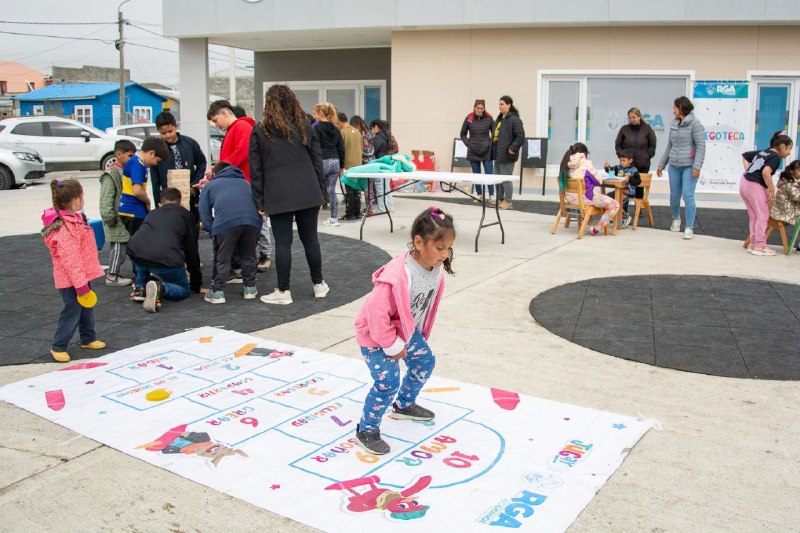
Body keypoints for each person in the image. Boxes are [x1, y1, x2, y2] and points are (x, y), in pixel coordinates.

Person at [353, 206, 456, 455]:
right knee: (387, 382)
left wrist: (409, 337)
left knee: (424, 363)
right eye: (439, 248)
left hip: (405, 332)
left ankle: (403, 405)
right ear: (419, 242)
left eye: (448, 248)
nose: (445, 254)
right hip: (377, 337)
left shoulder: (435, 269)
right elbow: (376, 314)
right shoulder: (398, 274)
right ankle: (366, 429)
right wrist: (391, 345)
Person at [249, 84, 330, 305]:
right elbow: (317, 160)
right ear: (292, 101)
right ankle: (319, 284)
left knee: (283, 243)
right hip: (307, 189)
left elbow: (255, 170)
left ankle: (284, 291)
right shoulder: (305, 125)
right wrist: (322, 193)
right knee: (310, 238)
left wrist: (259, 199)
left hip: (277, 192)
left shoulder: (260, 130)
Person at [41, 179, 106, 362]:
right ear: (76, 200)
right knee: (72, 310)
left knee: (86, 307)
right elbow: (71, 260)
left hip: (80, 276)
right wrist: (80, 285)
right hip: (71, 279)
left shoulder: (74, 220)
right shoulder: (65, 228)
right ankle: (59, 345)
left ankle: (88, 337)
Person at [207, 100, 272, 274]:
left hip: (244, 183)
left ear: (224, 113)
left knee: (256, 221)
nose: (216, 125)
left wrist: (217, 169)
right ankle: (243, 264)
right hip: (239, 182)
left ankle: (263, 255)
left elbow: (242, 152)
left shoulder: (241, 127)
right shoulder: (237, 128)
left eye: (215, 120)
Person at [127, 188, 203, 312]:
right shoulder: (186, 215)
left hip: (136, 252)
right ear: (180, 202)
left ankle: (140, 288)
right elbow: (191, 250)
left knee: (142, 254)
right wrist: (196, 283)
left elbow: (142, 237)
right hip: (166, 258)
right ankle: (161, 287)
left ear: (160, 203)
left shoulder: (152, 213)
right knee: (183, 289)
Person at [199, 161, 262, 303]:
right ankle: (250, 288)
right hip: (252, 222)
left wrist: (211, 230)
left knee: (223, 256)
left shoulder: (211, 185)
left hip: (226, 223)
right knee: (249, 255)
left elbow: (204, 212)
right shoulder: (246, 183)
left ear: (216, 173)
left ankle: (217, 291)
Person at [656, 96, 706, 240]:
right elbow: (670, 146)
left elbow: (701, 147)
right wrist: (661, 164)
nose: (673, 110)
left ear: (681, 108)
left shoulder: (695, 124)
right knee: (674, 196)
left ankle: (689, 227)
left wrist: (697, 166)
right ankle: (676, 218)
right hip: (674, 166)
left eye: (674, 108)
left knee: (688, 196)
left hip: (689, 166)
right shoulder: (674, 124)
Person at [740, 132, 794, 256]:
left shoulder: (764, 152)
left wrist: (748, 171)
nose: (789, 152)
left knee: (754, 216)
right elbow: (766, 172)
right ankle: (759, 246)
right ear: (783, 146)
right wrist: (771, 188)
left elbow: (745, 156)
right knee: (763, 215)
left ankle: (754, 244)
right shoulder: (775, 157)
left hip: (744, 182)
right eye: (789, 149)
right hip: (755, 185)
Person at [150, 111, 207, 216]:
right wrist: (158, 203)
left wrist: (194, 185)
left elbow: (202, 163)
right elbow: (155, 181)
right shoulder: (156, 150)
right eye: (163, 133)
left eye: (170, 131)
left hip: (190, 195)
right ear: (158, 131)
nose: (168, 135)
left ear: (176, 126)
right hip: (168, 200)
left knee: (192, 223)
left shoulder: (190, 143)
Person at [98, 139, 136, 286]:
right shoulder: (111, 175)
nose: (132, 159)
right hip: (116, 219)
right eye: (129, 155)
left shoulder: (127, 171)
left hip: (125, 217)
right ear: (118, 154)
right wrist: (110, 217)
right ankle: (112, 275)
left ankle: (117, 274)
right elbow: (106, 199)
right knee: (119, 248)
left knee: (125, 247)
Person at [561, 143, 619, 236]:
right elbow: (598, 181)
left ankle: (590, 221)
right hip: (585, 199)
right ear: (584, 153)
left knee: (596, 196)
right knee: (615, 205)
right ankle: (597, 228)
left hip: (570, 200)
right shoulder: (586, 163)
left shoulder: (566, 164)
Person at [119, 136, 169, 238]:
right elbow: (137, 190)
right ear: (152, 153)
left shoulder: (135, 162)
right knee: (140, 244)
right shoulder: (138, 164)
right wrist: (147, 201)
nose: (156, 164)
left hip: (132, 211)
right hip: (133, 211)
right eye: (157, 160)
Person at [313, 102, 345, 227]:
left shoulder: (316, 127)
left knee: (318, 189)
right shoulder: (336, 128)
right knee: (331, 190)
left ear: (320, 114)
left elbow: (314, 145)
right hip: (335, 160)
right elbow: (341, 148)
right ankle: (334, 218)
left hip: (322, 160)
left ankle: (312, 218)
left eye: (315, 113)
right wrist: (342, 165)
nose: (314, 116)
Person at [491, 95, 525, 210]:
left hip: (507, 154)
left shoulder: (514, 119)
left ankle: (508, 202)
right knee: (498, 179)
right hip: (498, 154)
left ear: (509, 105)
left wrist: (512, 148)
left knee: (506, 179)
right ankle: (500, 200)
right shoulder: (500, 118)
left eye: (502, 104)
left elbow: (520, 137)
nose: (500, 106)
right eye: (499, 104)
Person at [460, 99, 495, 202]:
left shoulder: (489, 118)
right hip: (473, 151)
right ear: (474, 108)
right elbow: (463, 134)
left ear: (484, 109)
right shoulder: (469, 118)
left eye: (481, 108)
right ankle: (479, 194)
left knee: (489, 173)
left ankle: (492, 195)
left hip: (487, 151)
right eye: (478, 108)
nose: (479, 110)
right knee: (477, 174)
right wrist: (469, 144)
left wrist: (490, 144)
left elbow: (494, 134)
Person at [603, 149, 641, 228]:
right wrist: (607, 168)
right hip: (617, 191)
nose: (622, 162)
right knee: (606, 198)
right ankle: (614, 217)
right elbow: (611, 171)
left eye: (624, 160)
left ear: (630, 160)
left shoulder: (634, 170)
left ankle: (624, 216)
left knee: (618, 201)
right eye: (621, 160)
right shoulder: (618, 167)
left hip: (628, 192)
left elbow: (638, 181)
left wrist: (629, 179)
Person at [338, 111, 364, 221]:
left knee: (349, 192)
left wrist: (341, 165)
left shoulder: (342, 132)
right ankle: (357, 213)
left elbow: (341, 150)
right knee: (356, 191)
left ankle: (350, 214)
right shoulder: (357, 132)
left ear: (339, 121)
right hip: (358, 165)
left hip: (348, 165)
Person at [614, 107, 657, 173]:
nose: (631, 119)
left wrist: (647, 156)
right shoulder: (624, 129)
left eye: (634, 117)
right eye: (629, 118)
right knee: (626, 182)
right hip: (627, 166)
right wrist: (622, 156)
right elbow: (618, 145)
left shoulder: (647, 129)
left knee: (641, 183)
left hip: (643, 165)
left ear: (639, 117)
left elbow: (653, 144)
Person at [351, 115, 376, 213]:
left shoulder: (359, 135)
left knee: (366, 187)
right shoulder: (369, 134)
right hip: (372, 161)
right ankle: (370, 207)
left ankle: (369, 209)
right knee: (370, 186)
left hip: (365, 162)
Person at [370, 119, 394, 213]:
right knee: (386, 186)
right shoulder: (386, 136)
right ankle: (389, 206)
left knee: (380, 187)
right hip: (386, 164)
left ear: (376, 127)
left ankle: (382, 208)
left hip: (379, 164)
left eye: (372, 128)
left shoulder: (378, 138)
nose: (372, 131)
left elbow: (373, 151)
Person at [770, 159, 800, 231]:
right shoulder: (789, 183)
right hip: (783, 213)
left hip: (784, 210)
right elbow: (797, 197)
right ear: (792, 171)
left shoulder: (793, 181)